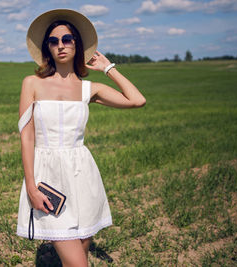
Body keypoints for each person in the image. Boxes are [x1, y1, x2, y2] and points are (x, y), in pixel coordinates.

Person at [16, 9, 146, 266]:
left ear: (77, 44)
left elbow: (137, 100)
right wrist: (31, 186)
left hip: (82, 176)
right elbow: (27, 137)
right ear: (47, 48)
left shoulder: (90, 89)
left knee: (79, 256)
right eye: (53, 41)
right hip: (48, 177)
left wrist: (107, 68)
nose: (60, 45)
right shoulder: (31, 83)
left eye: (67, 39)